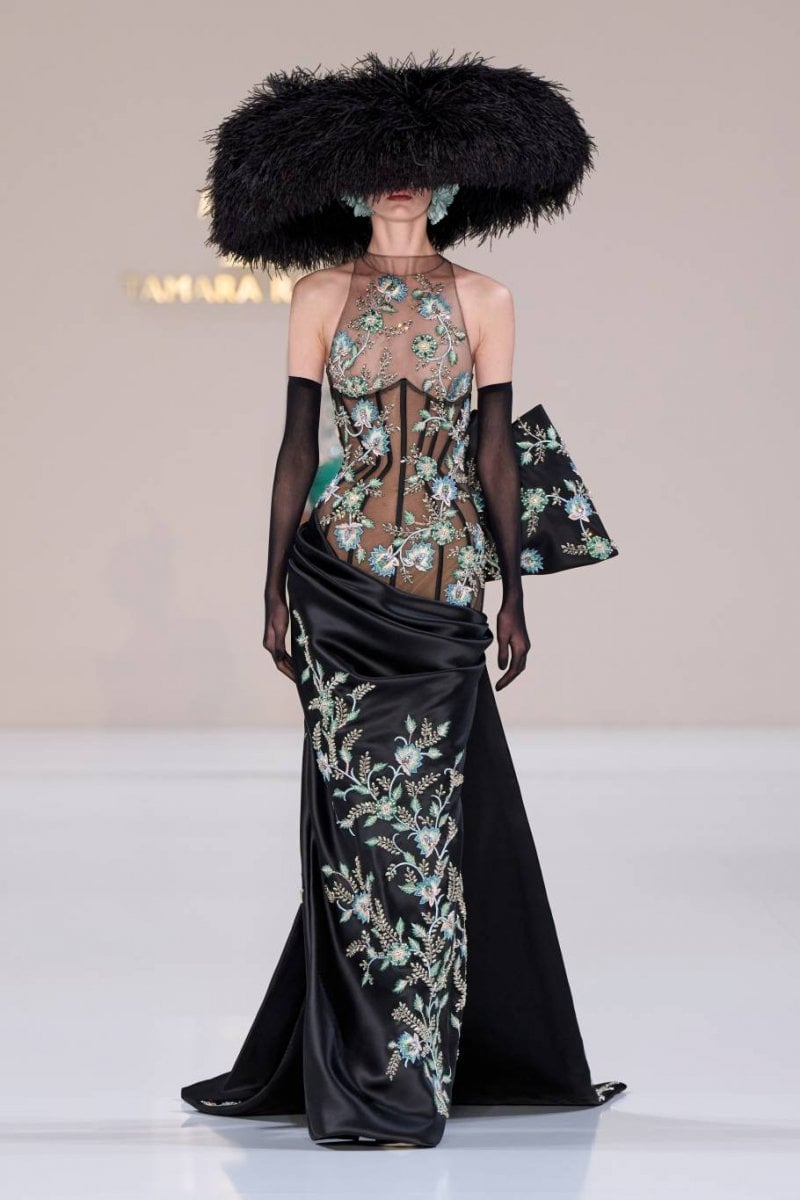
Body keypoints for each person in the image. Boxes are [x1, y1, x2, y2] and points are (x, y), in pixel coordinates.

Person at [181, 52, 626, 1148]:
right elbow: (297, 450)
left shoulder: (485, 299)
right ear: (349, 183)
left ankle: (406, 1073)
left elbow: (494, 452)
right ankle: (359, 1065)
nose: (398, 180)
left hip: (439, 589)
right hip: (338, 585)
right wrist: (272, 584)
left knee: (421, 832)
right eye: (380, 165)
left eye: (416, 165)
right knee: (354, 832)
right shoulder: (317, 295)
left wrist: (514, 596)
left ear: (446, 181)